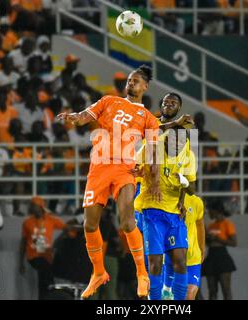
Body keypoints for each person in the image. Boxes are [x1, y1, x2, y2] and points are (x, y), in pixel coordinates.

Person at [56, 65, 161, 299]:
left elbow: (154, 152)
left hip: (125, 169)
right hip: (99, 167)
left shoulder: (149, 119)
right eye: (129, 80)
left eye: (136, 81)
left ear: (145, 86)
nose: (131, 83)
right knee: (89, 225)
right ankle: (98, 273)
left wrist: (149, 173)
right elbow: (85, 116)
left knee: (126, 221)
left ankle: (142, 275)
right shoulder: (108, 100)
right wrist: (73, 117)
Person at [134, 93, 196, 300]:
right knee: (153, 260)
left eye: (174, 102)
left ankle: (171, 296)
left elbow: (189, 181)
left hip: (172, 205)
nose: (169, 104)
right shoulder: (152, 127)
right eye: (167, 101)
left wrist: (182, 196)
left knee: (178, 259)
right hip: (147, 199)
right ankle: (153, 296)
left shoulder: (185, 146)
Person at [19, 196, 69, 300]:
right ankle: (50, 292)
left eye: (33, 205)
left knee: (45, 275)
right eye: (31, 205)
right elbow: (23, 242)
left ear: (40, 207)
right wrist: (21, 262)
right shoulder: (27, 222)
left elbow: (66, 228)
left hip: (46, 256)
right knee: (45, 272)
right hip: (33, 255)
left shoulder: (50, 220)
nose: (31, 208)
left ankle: (47, 295)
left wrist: (59, 240)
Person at [162, 194, 205, 300]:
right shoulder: (164, 200)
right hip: (170, 260)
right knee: (169, 297)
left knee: (189, 296)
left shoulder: (196, 201)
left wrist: (202, 249)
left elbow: (200, 225)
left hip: (192, 259)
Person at [203, 199, 237, 300]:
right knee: (212, 291)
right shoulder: (211, 225)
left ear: (216, 211)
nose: (208, 213)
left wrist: (217, 238)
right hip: (211, 257)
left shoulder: (227, 224)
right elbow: (208, 243)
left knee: (226, 290)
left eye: (210, 210)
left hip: (222, 257)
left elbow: (234, 242)